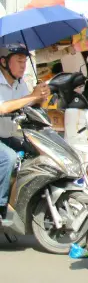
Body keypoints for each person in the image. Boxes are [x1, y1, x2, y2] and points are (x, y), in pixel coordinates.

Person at [0, 45, 50, 216]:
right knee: (9, 158)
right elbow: (3, 108)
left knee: (38, 153)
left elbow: (28, 104)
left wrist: (41, 97)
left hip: (8, 134)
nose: (23, 66)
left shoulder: (19, 84)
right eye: (19, 61)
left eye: (25, 61)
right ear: (4, 62)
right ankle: (0, 207)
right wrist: (32, 96)